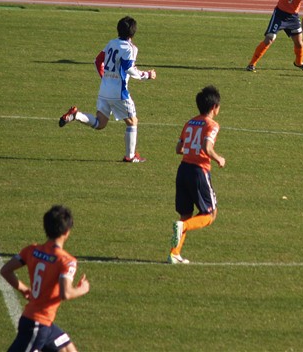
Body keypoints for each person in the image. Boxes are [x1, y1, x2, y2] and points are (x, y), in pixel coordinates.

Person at [58, 16, 156, 163]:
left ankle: (76, 115)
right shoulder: (131, 48)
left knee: (100, 123)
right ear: (133, 33)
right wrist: (147, 75)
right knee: (132, 121)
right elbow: (129, 69)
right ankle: (130, 156)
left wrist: (105, 77)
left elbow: (98, 60)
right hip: (119, 93)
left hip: (104, 90)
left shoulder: (111, 43)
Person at [0, 205, 90, 352]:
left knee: (68, 349)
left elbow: (5, 270)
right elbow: (66, 293)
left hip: (43, 323)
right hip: (37, 325)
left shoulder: (31, 250)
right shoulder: (66, 261)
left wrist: (23, 289)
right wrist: (83, 289)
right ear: (66, 232)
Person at [168, 85, 225, 264]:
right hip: (199, 172)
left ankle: (174, 254)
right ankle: (183, 227)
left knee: (185, 213)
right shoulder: (212, 125)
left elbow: (179, 149)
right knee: (210, 214)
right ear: (214, 107)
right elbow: (207, 148)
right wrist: (219, 158)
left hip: (183, 169)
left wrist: (191, 149)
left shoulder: (190, 122)